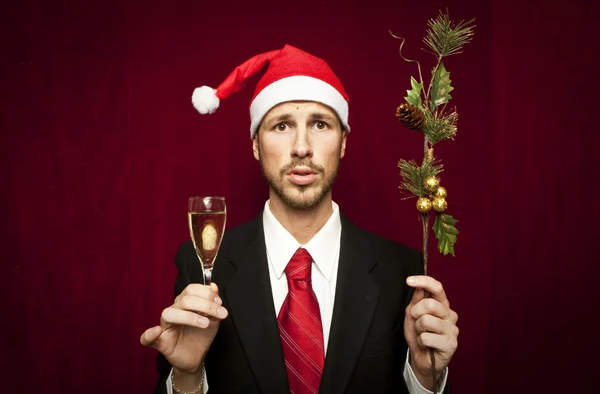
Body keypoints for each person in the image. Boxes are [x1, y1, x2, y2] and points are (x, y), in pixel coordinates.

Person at [141, 44, 459, 394]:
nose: (302, 147)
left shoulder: (403, 271)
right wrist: (187, 376)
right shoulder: (201, 264)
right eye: (281, 126)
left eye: (320, 124)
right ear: (255, 145)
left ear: (342, 143)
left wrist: (423, 376)